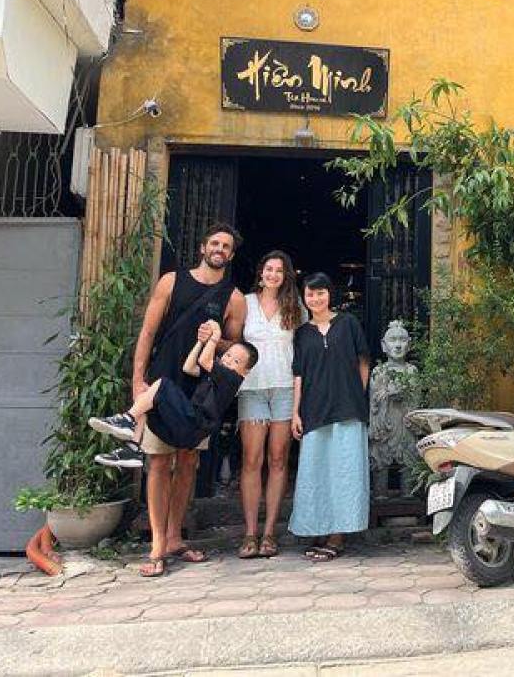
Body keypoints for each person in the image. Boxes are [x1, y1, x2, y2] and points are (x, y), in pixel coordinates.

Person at [124, 223, 247, 578]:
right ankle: (157, 544)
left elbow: (233, 348)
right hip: (163, 382)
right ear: (202, 247)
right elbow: (148, 331)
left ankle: (176, 536)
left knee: (188, 461)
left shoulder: (234, 298)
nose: (219, 249)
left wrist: (218, 336)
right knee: (160, 463)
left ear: (231, 255)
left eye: (226, 246)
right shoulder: (171, 282)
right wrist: (137, 380)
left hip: (199, 390)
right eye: (214, 243)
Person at [90, 322, 258, 478]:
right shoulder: (217, 375)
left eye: (236, 361)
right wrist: (200, 342)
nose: (227, 361)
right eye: (227, 355)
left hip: (194, 425)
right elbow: (189, 367)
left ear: (245, 372)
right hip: (182, 430)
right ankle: (132, 448)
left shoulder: (232, 379)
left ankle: (127, 419)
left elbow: (204, 361)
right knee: (146, 394)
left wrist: (215, 336)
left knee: (163, 384)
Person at [288, 272, 371, 561]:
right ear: (304, 298)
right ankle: (319, 530)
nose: (316, 298)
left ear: (329, 294)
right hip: (314, 410)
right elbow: (298, 374)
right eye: (310, 294)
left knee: (345, 472)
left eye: (320, 292)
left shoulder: (348, 324)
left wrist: (356, 396)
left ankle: (338, 536)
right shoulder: (302, 333)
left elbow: (363, 361)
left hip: (347, 410)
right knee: (315, 473)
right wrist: (295, 412)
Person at [237, 251, 306, 560]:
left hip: (283, 388)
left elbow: (307, 349)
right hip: (251, 387)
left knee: (278, 459)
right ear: (260, 272)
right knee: (252, 459)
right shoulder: (245, 302)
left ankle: (269, 533)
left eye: (279, 270)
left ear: (286, 275)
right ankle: (250, 532)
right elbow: (231, 340)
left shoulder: (295, 307)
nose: (273, 274)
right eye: (269, 269)